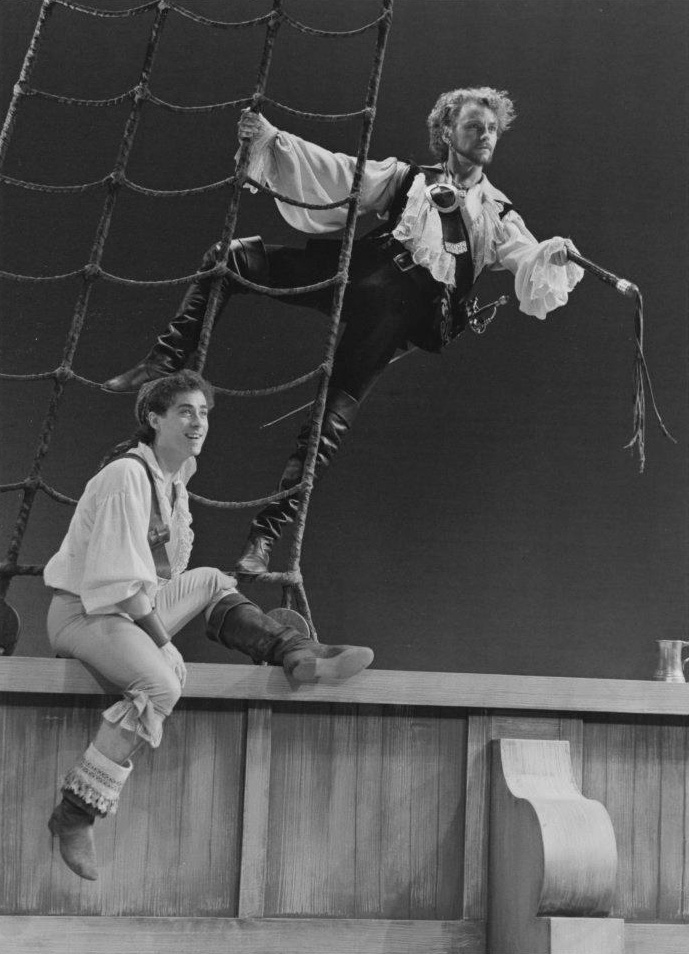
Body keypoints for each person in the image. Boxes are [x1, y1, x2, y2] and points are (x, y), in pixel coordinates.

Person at [103, 87, 584, 577]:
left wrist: (552, 254)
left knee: (324, 427)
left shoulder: (497, 212)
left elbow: (526, 256)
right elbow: (340, 172)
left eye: (492, 130)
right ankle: (163, 360)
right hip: (356, 275)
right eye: (474, 126)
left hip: (397, 317)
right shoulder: (407, 178)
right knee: (230, 259)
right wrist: (271, 140)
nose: (485, 136)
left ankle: (264, 536)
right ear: (447, 133)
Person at [44, 370, 373, 881]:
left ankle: (296, 653)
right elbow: (116, 580)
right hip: (85, 613)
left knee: (211, 579)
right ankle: (74, 813)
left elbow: (165, 575)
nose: (198, 421)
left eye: (203, 413)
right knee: (161, 683)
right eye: (184, 412)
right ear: (154, 419)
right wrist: (161, 642)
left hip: (128, 611)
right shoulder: (125, 476)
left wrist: (155, 626)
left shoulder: (175, 479)